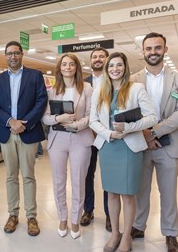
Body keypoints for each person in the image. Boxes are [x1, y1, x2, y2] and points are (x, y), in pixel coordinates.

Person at [90, 52, 157, 252]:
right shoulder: (99, 90)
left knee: (128, 195)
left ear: (125, 67)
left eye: (119, 65)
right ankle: (115, 234)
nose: (115, 69)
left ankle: (126, 236)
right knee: (111, 193)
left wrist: (126, 129)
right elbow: (93, 120)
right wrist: (109, 133)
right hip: (109, 146)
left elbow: (151, 117)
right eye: (111, 66)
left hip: (130, 147)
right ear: (106, 69)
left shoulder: (137, 89)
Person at [130, 32, 178, 252]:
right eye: (149, 48)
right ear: (143, 51)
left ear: (165, 50)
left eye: (158, 48)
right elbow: (130, 112)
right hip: (141, 144)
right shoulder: (133, 79)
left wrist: (153, 132)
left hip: (169, 144)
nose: (153, 52)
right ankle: (138, 225)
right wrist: (144, 133)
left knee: (168, 191)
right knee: (141, 190)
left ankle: (171, 233)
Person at [0, 41, 47, 236]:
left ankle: (31, 216)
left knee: (28, 175)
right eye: (9, 54)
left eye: (16, 53)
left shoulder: (35, 75)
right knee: (10, 176)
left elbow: (41, 101)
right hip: (7, 133)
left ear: (22, 54)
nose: (12, 57)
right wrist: (10, 121)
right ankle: (12, 214)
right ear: (5, 56)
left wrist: (25, 123)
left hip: (28, 132)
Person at [42, 53, 93, 239]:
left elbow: (90, 115)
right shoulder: (53, 90)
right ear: (60, 68)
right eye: (64, 64)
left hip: (80, 138)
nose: (68, 67)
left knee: (79, 181)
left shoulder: (87, 88)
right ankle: (62, 217)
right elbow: (45, 117)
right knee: (58, 182)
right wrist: (59, 118)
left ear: (76, 68)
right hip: (58, 139)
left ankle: (75, 220)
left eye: (72, 64)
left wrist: (77, 124)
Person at [81, 47, 111, 231]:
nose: (98, 59)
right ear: (90, 60)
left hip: (108, 136)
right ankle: (88, 210)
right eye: (95, 56)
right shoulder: (83, 83)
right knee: (87, 174)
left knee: (108, 176)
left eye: (101, 56)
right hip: (88, 135)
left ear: (107, 59)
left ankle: (110, 214)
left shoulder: (115, 80)